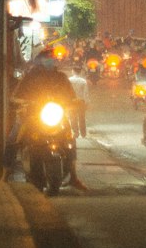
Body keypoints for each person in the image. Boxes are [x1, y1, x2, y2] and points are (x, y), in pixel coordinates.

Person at [6, 49, 88, 189]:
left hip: (56, 117)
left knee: (70, 139)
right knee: (13, 139)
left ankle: (74, 177)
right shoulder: (30, 77)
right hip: (31, 116)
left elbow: (71, 97)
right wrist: (22, 102)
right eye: (47, 58)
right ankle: (4, 174)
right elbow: (15, 96)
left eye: (52, 58)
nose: (50, 60)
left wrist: (76, 102)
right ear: (40, 60)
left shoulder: (61, 77)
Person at [66, 62, 90, 138]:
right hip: (81, 102)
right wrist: (87, 102)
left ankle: (76, 132)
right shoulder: (83, 81)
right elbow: (85, 93)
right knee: (82, 118)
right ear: (80, 72)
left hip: (72, 101)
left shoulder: (69, 80)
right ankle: (83, 134)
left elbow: (66, 91)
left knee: (72, 117)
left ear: (73, 71)